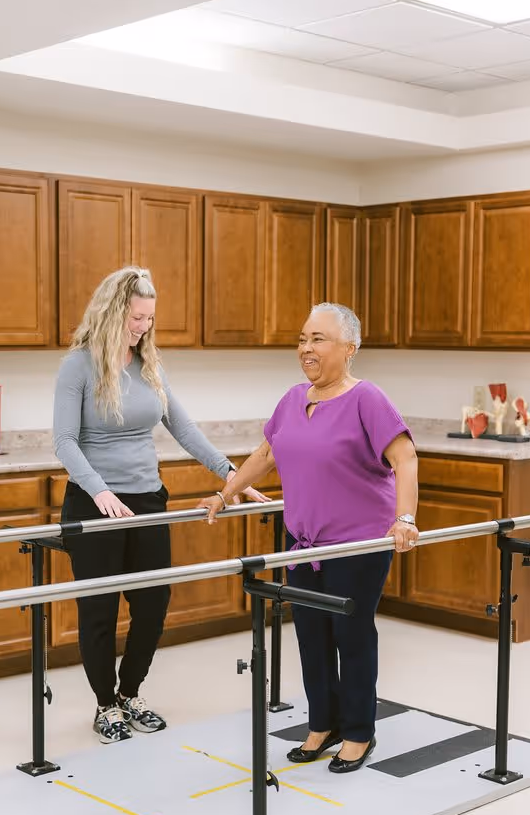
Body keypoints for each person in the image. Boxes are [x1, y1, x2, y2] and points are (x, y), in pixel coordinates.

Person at [198, 302, 419, 774]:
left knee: (351, 635)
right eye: (302, 338)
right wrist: (224, 494)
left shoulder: (368, 399)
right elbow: (265, 454)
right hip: (302, 542)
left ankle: (359, 731)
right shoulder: (292, 398)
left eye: (318, 339)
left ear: (349, 348)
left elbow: (405, 459)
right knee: (311, 636)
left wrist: (405, 517)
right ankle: (323, 724)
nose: (306, 348)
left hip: (356, 546)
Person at [53, 266, 267, 744]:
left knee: (153, 604)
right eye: (136, 317)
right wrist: (99, 490)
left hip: (148, 500)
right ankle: (104, 704)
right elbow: (64, 441)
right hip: (94, 504)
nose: (143, 326)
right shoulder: (79, 365)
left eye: (149, 318)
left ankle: (130, 692)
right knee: (100, 610)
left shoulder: (148, 365)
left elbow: (185, 430)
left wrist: (232, 476)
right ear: (112, 313)